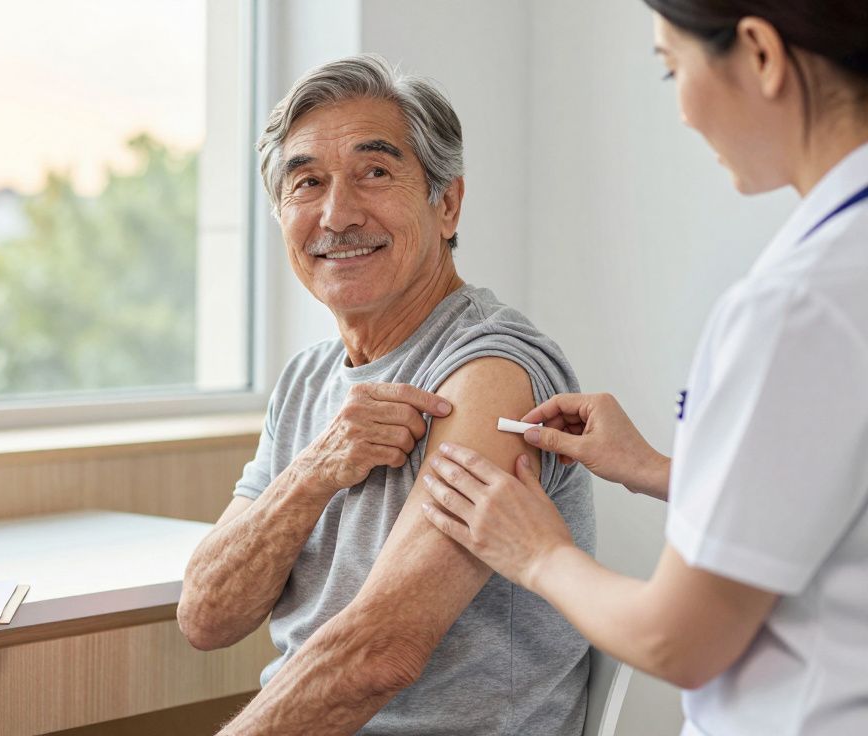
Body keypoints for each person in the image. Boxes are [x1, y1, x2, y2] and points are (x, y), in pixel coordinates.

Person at [420, 2, 868, 734]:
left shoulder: (801, 306)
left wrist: (537, 554)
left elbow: (678, 640)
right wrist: (660, 467)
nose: (684, 114)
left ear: (760, 53)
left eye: (672, 69)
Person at [177, 54, 595, 735]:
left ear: (448, 203)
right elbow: (205, 615)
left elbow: (381, 654)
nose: (337, 215)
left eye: (375, 173)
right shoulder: (308, 380)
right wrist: (314, 471)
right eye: (306, 182)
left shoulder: (491, 371)